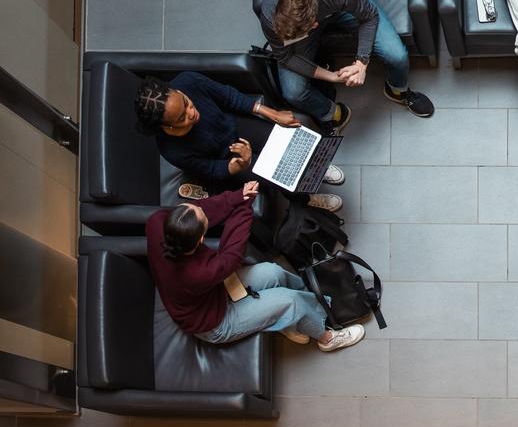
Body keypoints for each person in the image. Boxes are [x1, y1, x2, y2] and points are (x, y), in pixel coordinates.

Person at [147, 181, 364, 354]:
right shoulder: (198, 273)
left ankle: (303, 309)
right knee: (290, 301)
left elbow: (203, 209)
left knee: (274, 271)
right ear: (201, 239)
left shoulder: (158, 222)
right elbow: (231, 254)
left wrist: (237, 195)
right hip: (214, 321)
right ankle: (327, 338)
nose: (202, 208)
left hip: (213, 291)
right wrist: (244, 205)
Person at [259, 0, 434, 129]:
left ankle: (398, 91)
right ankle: (333, 113)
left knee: (397, 55)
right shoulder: (270, 19)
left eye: (311, 28)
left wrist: (361, 63)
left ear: (315, 23)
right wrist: (331, 76)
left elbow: (369, 15)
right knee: (293, 92)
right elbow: (286, 57)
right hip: (306, 14)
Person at [135, 73, 344, 211]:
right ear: (168, 126)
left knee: (287, 141)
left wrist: (272, 113)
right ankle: (305, 198)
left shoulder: (188, 82)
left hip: (234, 125)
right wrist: (238, 165)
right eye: (181, 117)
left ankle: (316, 167)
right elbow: (211, 171)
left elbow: (229, 97)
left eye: (187, 103)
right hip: (226, 158)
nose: (192, 112)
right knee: (279, 175)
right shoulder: (171, 150)